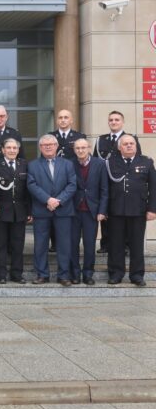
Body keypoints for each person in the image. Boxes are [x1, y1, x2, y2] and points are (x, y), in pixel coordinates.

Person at [105, 135, 156, 287]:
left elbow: (153, 188)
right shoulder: (110, 162)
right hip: (115, 210)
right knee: (115, 244)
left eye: (131, 143)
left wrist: (152, 209)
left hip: (138, 210)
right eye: (125, 144)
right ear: (120, 147)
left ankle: (137, 275)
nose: (129, 146)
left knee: (136, 245)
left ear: (136, 145)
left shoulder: (146, 162)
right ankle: (116, 274)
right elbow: (105, 188)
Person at [27, 134, 77, 286]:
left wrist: (58, 201)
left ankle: (63, 275)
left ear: (56, 146)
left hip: (63, 210)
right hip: (42, 210)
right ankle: (42, 274)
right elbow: (31, 185)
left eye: (51, 144)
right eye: (44, 145)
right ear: (40, 147)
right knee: (40, 245)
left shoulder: (68, 164)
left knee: (64, 244)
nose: (48, 147)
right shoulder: (33, 165)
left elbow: (72, 185)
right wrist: (48, 200)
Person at [93, 110, 141, 255]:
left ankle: (125, 244)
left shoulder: (131, 139)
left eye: (117, 120)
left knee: (124, 214)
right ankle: (106, 243)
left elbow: (136, 160)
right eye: (111, 120)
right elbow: (96, 161)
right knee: (105, 212)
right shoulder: (101, 140)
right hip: (106, 181)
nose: (113, 122)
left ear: (122, 122)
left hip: (123, 183)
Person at [0, 138, 30, 284]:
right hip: (0, 210)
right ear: (3, 150)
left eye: (14, 148)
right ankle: (1, 274)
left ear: (18, 150)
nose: (12, 150)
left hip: (19, 211)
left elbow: (27, 191)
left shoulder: (24, 164)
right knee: (0, 245)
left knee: (18, 245)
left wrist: (29, 211)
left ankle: (17, 274)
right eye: (9, 148)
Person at [70, 138, 108, 285]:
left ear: (89, 148)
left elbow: (104, 190)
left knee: (89, 245)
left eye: (83, 148)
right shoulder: (69, 164)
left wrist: (102, 211)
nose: (80, 150)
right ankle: (74, 274)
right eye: (77, 148)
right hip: (73, 211)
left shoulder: (100, 164)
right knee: (72, 244)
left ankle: (88, 274)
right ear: (74, 150)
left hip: (92, 212)